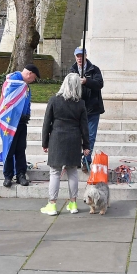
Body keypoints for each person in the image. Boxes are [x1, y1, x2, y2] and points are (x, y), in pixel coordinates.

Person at [40, 73, 91, 215]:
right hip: (74, 139)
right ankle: (73, 204)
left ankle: (52, 205)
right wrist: (86, 145)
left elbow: (46, 124)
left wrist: (45, 142)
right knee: (73, 172)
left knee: (55, 172)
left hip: (57, 138)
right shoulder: (81, 103)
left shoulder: (54, 100)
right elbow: (84, 127)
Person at [3, 64, 39, 188]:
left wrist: (27, 114)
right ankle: (8, 175)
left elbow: (27, 101)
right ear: (29, 74)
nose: (33, 81)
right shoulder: (13, 81)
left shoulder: (25, 86)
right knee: (9, 148)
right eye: (33, 78)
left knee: (21, 148)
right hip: (10, 122)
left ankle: (20, 175)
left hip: (22, 121)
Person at [71, 47, 104, 172]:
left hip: (92, 109)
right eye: (77, 56)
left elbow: (99, 84)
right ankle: (75, 158)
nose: (79, 58)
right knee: (76, 135)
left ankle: (86, 160)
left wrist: (86, 81)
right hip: (77, 109)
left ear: (86, 55)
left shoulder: (94, 69)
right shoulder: (72, 70)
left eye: (81, 55)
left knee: (90, 136)